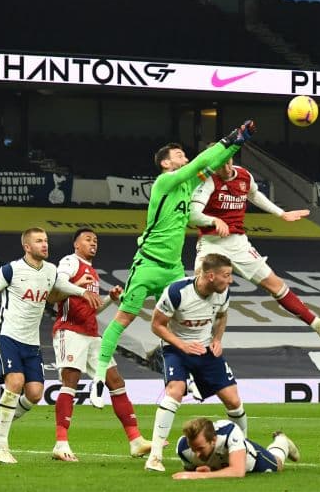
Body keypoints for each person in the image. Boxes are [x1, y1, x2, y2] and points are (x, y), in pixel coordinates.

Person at [92, 120, 256, 402]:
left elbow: (212, 163)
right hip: (148, 264)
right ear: (166, 164)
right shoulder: (165, 182)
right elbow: (200, 163)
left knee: (184, 321)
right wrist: (231, 137)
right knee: (124, 318)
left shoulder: (189, 183)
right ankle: (98, 377)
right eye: (179, 155)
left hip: (173, 269)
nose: (185, 157)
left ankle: (189, 377)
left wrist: (238, 144)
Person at [0, 228, 101, 464]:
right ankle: (1, 446)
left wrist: (81, 291)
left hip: (31, 341)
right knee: (15, 382)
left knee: (34, 394)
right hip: (6, 335)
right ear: (27, 246)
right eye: (39, 241)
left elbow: (54, 295)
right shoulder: (11, 270)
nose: (45, 245)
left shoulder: (51, 270)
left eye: (46, 241)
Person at [190, 155, 320, 339]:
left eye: (228, 162)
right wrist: (213, 220)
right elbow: (193, 215)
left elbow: (254, 195)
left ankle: (319, 325)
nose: (225, 167)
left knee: (275, 285)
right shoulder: (207, 181)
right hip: (211, 243)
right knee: (197, 287)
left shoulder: (244, 175)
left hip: (238, 243)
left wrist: (281, 213)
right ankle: (185, 337)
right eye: (220, 164)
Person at [50, 228, 152, 461]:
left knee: (116, 381)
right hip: (69, 330)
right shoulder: (70, 261)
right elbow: (58, 284)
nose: (93, 243)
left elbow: (91, 308)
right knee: (70, 382)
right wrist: (79, 287)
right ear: (76, 244)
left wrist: (109, 299)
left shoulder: (93, 273)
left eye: (95, 240)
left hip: (91, 333)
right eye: (88, 239)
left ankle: (136, 441)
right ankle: (60, 443)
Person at [143, 253, 245, 473]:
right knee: (175, 391)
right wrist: (182, 345)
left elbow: (222, 315)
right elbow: (157, 325)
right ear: (210, 276)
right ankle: (155, 457)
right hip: (176, 348)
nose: (230, 280)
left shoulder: (223, 292)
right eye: (226, 275)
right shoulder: (177, 292)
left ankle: (241, 451)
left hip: (205, 349)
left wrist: (217, 339)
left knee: (233, 400)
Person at [172, 416, 300, 480]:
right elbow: (193, 470)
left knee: (277, 464)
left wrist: (197, 476)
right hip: (223, 464)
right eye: (193, 449)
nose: (197, 454)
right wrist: (202, 471)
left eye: (201, 448)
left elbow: (238, 472)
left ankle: (282, 441)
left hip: (251, 460)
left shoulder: (229, 431)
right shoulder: (183, 449)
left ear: (213, 440)